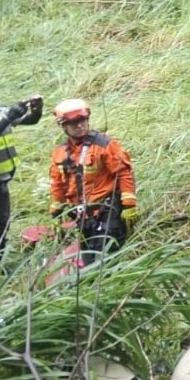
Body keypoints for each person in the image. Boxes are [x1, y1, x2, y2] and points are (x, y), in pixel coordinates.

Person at [0, 79, 43, 299]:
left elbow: (30, 121)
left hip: (1, 182)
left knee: (1, 228)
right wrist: (7, 118)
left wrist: (36, 109)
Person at [48, 99, 137, 262]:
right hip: (82, 216)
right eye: (74, 123)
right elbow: (57, 183)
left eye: (82, 121)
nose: (80, 125)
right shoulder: (60, 153)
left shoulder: (104, 144)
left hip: (107, 210)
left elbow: (124, 172)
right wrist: (56, 213)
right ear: (63, 126)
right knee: (88, 259)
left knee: (106, 258)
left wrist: (129, 205)